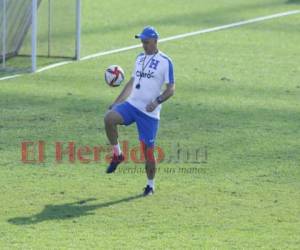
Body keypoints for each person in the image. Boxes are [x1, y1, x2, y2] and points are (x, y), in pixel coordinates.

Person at [104, 26, 175, 196]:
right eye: (142, 41)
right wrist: (116, 102)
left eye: (146, 42)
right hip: (132, 106)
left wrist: (157, 101)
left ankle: (150, 185)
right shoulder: (139, 58)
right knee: (109, 118)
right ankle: (118, 155)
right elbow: (131, 83)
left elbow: (171, 89)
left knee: (148, 152)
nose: (143, 45)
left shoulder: (166, 62)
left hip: (149, 114)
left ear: (155, 41)